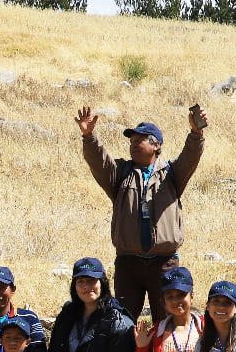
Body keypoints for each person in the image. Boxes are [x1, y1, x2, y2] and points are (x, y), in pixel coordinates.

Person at [76, 105, 207, 324]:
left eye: (140, 140)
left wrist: (196, 133)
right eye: (132, 141)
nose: (134, 145)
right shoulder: (121, 173)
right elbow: (99, 162)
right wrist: (89, 137)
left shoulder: (171, 173)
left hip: (164, 263)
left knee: (166, 323)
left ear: (156, 145)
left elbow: (190, 157)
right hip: (128, 263)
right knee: (122, 323)